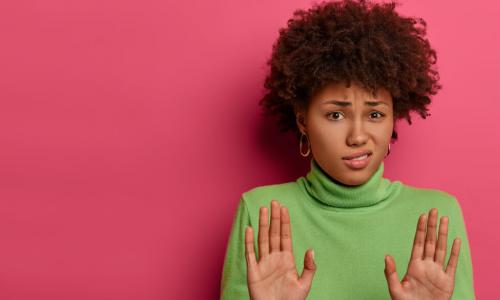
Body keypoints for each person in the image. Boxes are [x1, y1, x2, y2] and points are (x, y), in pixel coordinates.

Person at [220, 0, 476, 299]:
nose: (357, 137)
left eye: (375, 114)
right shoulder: (263, 212)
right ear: (303, 120)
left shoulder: (436, 216)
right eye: (336, 115)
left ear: (394, 117)